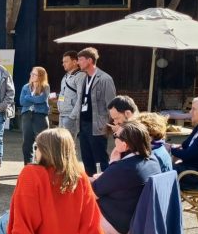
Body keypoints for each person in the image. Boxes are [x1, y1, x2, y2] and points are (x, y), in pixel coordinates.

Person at [0, 128, 127, 234]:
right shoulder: (79, 176)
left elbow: (23, 222)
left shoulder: (31, 173)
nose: (35, 150)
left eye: (37, 147)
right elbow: (90, 224)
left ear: (46, 150)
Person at [91, 121, 161, 234]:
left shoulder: (123, 168)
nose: (114, 139)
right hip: (136, 223)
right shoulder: (153, 161)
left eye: (116, 136)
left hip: (115, 225)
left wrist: (113, 163)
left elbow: (91, 194)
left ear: (125, 145)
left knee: (70, 207)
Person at [72, 47, 117, 176]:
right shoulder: (82, 78)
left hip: (98, 125)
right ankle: (90, 189)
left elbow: (111, 104)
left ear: (90, 60)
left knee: (100, 159)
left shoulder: (105, 79)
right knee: (86, 158)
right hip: (83, 124)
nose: (78, 63)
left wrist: (111, 125)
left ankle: (103, 187)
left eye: (80, 60)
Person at [19, 66, 50, 165]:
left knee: (42, 142)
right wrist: (34, 99)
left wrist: (28, 97)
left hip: (40, 116)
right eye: (31, 74)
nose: (31, 76)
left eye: (34, 74)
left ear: (40, 76)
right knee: (27, 143)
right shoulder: (25, 87)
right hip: (27, 116)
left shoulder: (45, 87)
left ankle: (42, 165)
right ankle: (27, 165)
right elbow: (22, 102)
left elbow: (42, 100)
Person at [56, 50, 83, 141]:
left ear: (75, 62)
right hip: (62, 114)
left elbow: (81, 98)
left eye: (66, 61)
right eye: (63, 62)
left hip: (70, 116)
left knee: (68, 144)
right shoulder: (65, 76)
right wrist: (59, 102)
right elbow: (63, 93)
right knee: (61, 144)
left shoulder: (80, 76)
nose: (63, 64)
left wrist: (73, 116)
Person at [107, 95, 140, 162]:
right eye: (113, 119)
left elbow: (121, 149)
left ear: (128, 113)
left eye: (117, 118)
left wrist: (119, 134)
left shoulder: (138, 133)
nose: (115, 123)